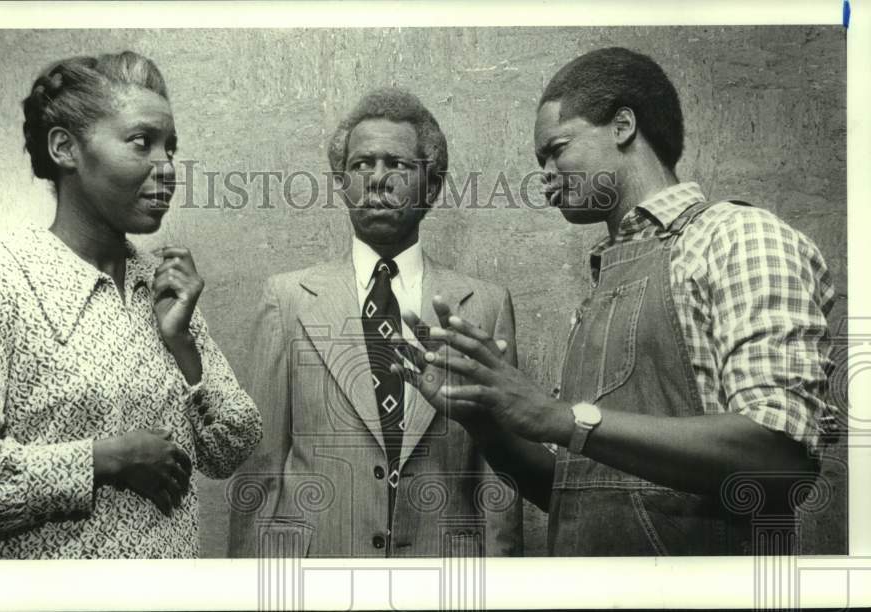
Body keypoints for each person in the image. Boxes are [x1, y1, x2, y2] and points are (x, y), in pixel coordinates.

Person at [395, 47, 838, 556]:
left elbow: (777, 458)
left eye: (557, 148)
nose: (545, 176)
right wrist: (485, 417)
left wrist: (560, 417)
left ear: (623, 125)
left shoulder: (739, 237)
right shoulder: (603, 285)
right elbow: (574, 492)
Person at [0, 51, 262, 559]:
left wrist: (183, 346)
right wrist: (105, 460)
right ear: (65, 148)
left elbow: (232, 449)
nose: (167, 168)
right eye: (142, 143)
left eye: (171, 148)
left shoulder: (161, 286)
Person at [227, 88, 522, 558]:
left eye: (398, 165)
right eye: (362, 164)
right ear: (343, 182)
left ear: (431, 184)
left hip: (444, 572)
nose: (377, 179)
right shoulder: (287, 301)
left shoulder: (483, 304)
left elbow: (501, 476)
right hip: (315, 574)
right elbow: (259, 469)